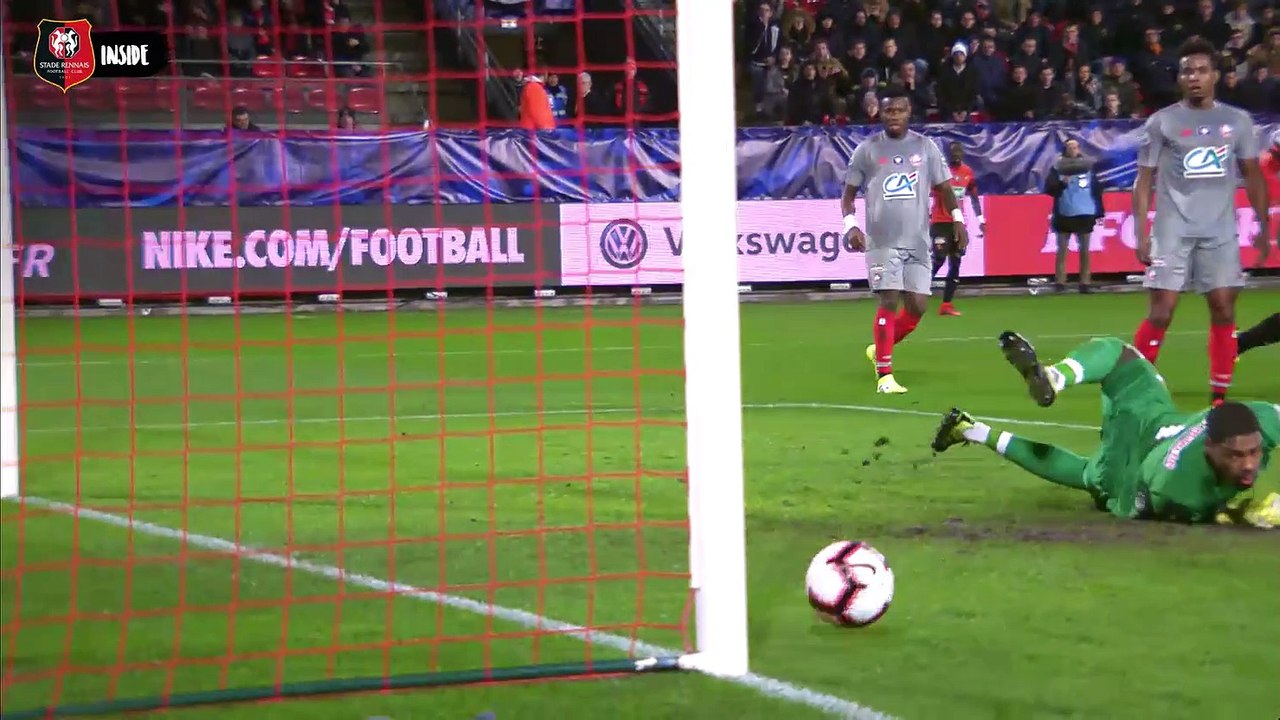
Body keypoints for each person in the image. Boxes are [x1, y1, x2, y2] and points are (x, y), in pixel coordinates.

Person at [931, 331, 1280, 528]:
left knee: (1119, 355)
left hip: (1153, 415)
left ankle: (983, 420)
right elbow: (1164, 504)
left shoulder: (1258, 419)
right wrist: (1238, 514)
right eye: (1236, 456)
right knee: (1091, 474)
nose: (1249, 463)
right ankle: (988, 420)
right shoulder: (1178, 487)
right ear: (1209, 447)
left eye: (1252, 452)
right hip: (1130, 470)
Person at [1130, 36, 1272, 406]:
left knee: (1224, 307)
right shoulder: (1162, 122)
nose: (1194, 77)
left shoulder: (1237, 122)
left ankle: (1218, 398)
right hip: (1172, 228)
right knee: (1162, 311)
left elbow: (1253, 174)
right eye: (1187, 71)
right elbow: (1143, 180)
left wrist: (1263, 226)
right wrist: (1142, 233)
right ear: (1179, 78)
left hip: (1220, 229)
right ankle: (1132, 390)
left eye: (1201, 70)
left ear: (1216, 76)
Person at [840, 88, 969, 395]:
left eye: (899, 110)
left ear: (909, 111)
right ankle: (885, 376)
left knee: (918, 306)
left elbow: (945, 188)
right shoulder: (867, 150)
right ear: (879, 113)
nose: (893, 115)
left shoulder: (926, 148)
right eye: (888, 111)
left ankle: (879, 348)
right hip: (882, 240)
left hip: (918, 240)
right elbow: (848, 195)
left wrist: (958, 219)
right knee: (889, 297)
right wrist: (850, 226)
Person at [929, 142, 983, 316]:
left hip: (958, 223)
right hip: (939, 222)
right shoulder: (940, 172)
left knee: (956, 261)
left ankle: (946, 304)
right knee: (938, 257)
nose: (956, 155)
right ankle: (917, 291)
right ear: (947, 155)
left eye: (959, 152)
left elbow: (974, 196)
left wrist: (981, 218)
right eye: (953, 153)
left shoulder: (967, 172)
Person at [1044, 138, 1105, 293]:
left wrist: (1100, 211)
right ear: (1065, 150)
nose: (1074, 149)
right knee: (1062, 249)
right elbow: (1049, 189)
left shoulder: (1088, 167)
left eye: (1076, 147)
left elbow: (1096, 189)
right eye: (1070, 147)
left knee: (1084, 250)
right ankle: (1060, 282)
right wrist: (1062, 183)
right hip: (1064, 213)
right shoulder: (1057, 167)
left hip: (1085, 213)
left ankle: (1085, 283)